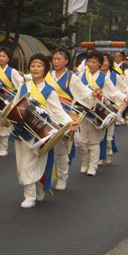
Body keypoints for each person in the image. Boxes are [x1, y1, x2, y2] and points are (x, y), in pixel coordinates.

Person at [11, 54, 77, 208]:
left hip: (40, 132)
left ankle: (30, 196)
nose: (35, 68)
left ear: (45, 69)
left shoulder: (49, 90)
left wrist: (69, 122)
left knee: (30, 164)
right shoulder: (23, 87)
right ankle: (38, 188)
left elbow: (58, 111)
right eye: (33, 65)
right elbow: (15, 106)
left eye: (39, 65)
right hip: (22, 130)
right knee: (22, 164)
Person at [45, 47, 96, 190]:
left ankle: (62, 178)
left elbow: (84, 92)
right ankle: (46, 178)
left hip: (64, 115)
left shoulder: (71, 77)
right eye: (54, 59)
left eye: (59, 59)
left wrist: (92, 95)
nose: (55, 61)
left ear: (66, 61)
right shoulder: (47, 75)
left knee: (61, 149)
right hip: (47, 114)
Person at [75, 50, 128, 175]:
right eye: (89, 61)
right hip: (82, 111)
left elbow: (114, 92)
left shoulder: (104, 78)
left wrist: (124, 98)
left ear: (100, 64)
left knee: (94, 140)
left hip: (97, 111)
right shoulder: (81, 75)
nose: (91, 64)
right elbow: (75, 90)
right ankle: (85, 161)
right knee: (80, 141)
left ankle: (92, 167)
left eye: (94, 62)